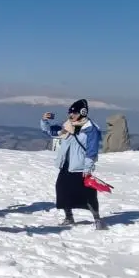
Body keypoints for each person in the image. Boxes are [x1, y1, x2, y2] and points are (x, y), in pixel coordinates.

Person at [40, 99, 106, 230]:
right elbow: (50, 132)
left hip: (80, 167)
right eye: (70, 112)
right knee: (63, 190)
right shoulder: (67, 126)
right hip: (66, 164)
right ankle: (68, 216)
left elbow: (92, 150)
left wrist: (88, 167)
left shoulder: (90, 129)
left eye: (74, 113)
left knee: (88, 194)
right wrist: (44, 121)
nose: (71, 115)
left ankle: (97, 219)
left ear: (83, 112)